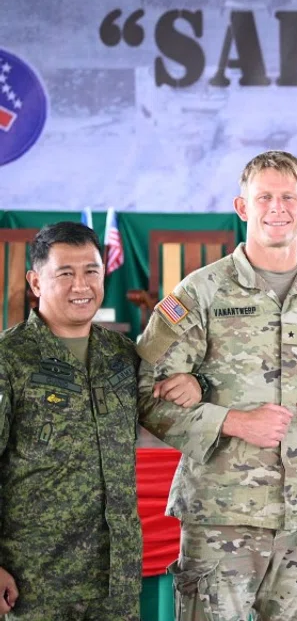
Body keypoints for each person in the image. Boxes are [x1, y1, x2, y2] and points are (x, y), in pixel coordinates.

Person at [136, 150, 297, 621]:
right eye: (264, 197)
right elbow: (145, 391)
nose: (276, 208)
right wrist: (234, 421)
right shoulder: (199, 294)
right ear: (243, 207)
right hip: (221, 514)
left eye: (288, 197)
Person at [0, 222, 199, 620]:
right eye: (66, 273)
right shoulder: (9, 359)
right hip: (35, 579)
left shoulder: (123, 357)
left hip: (116, 579)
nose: (82, 285)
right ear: (36, 282)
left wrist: (193, 382)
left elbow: (165, 401)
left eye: (91, 271)